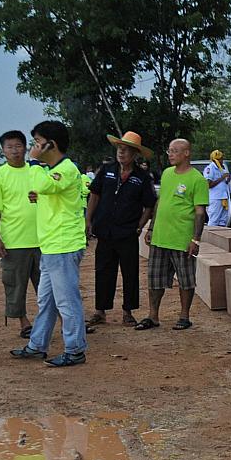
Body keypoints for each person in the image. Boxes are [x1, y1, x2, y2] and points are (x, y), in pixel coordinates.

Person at [11, 120, 88, 367]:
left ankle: (75, 349)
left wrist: (33, 163)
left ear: (50, 144)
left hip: (63, 245)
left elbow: (43, 184)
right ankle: (37, 345)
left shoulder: (66, 169)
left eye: (36, 142)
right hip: (51, 246)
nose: (32, 148)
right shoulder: (52, 171)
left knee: (67, 301)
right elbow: (45, 189)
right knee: (47, 300)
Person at [87, 131, 157, 328]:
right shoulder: (106, 170)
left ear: (135, 154)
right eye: (119, 149)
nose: (121, 153)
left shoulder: (142, 177)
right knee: (103, 271)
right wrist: (88, 220)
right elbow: (94, 195)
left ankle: (128, 311)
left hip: (127, 232)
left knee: (129, 272)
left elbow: (150, 205)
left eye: (125, 150)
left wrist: (139, 227)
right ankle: (100, 311)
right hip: (105, 231)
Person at [137, 138, 207, 331]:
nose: (171, 154)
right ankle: (153, 315)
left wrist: (195, 238)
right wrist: (151, 227)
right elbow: (160, 203)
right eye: (169, 150)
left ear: (187, 153)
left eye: (175, 151)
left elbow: (200, 212)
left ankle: (184, 316)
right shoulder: (167, 174)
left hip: (182, 238)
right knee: (155, 277)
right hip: (160, 236)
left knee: (185, 279)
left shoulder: (197, 179)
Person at [0, 130, 43, 337]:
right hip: (14, 241)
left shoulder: (36, 171)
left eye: (18, 146)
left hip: (42, 239)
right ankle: (23, 322)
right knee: (15, 285)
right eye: (10, 147)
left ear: (25, 147)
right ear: (3, 150)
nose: (15, 151)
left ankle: (61, 321)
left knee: (47, 285)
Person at [204, 149, 231, 227]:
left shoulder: (223, 168)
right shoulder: (210, 168)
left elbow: (225, 183)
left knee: (223, 221)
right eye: (219, 159)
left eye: (222, 158)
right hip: (215, 198)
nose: (221, 160)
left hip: (224, 197)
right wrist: (222, 178)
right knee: (214, 220)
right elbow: (209, 184)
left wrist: (227, 179)